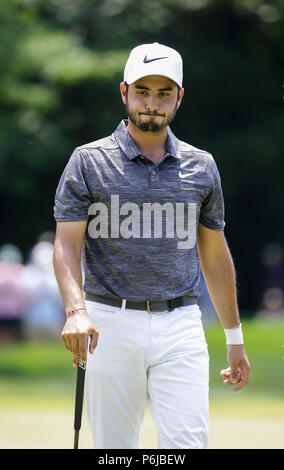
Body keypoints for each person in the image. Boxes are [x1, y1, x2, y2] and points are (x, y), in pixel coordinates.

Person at [53, 42, 250, 449]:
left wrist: (234, 338)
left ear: (179, 98)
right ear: (124, 92)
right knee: (114, 450)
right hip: (108, 322)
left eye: (164, 93)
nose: (152, 103)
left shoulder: (202, 166)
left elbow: (214, 255)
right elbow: (66, 245)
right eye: (143, 91)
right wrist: (75, 312)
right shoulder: (87, 161)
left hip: (181, 323)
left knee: (187, 445)